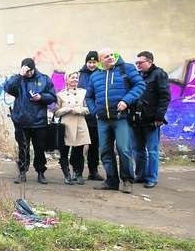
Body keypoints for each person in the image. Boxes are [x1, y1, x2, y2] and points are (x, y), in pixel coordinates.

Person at [85, 48, 145, 194]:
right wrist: (95, 111)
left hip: (121, 118)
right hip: (103, 120)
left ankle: (127, 181)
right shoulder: (95, 76)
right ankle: (111, 181)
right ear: (100, 61)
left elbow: (140, 85)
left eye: (112, 55)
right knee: (105, 151)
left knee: (124, 149)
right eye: (106, 56)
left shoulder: (126, 69)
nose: (111, 58)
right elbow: (89, 97)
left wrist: (126, 100)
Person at [4, 58, 56, 184]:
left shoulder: (44, 79)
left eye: (29, 71)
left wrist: (41, 97)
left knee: (39, 149)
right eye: (25, 71)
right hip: (21, 121)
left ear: (33, 69)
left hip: (39, 121)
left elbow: (52, 96)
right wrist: (19, 75)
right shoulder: (18, 79)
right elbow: (7, 88)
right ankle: (22, 172)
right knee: (23, 148)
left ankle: (40, 173)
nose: (28, 74)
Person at [132, 51, 170, 188]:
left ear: (150, 62)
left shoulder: (159, 74)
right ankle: (140, 175)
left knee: (152, 150)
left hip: (152, 120)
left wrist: (159, 117)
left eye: (140, 62)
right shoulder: (138, 76)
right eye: (136, 63)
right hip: (137, 119)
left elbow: (164, 97)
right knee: (138, 150)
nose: (138, 65)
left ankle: (151, 178)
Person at [54, 71, 91, 185]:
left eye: (76, 78)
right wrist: (66, 109)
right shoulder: (61, 94)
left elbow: (89, 108)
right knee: (64, 151)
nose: (75, 80)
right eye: (72, 78)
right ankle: (67, 174)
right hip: (66, 125)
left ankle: (78, 173)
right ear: (66, 80)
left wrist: (80, 110)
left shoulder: (83, 93)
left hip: (80, 123)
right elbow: (56, 112)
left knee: (79, 150)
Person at [78, 51, 103, 181]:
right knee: (79, 144)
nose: (92, 65)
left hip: (95, 115)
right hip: (82, 116)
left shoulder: (101, 74)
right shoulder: (80, 75)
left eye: (94, 62)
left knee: (94, 144)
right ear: (86, 62)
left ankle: (93, 171)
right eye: (89, 62)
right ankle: (78, 172)